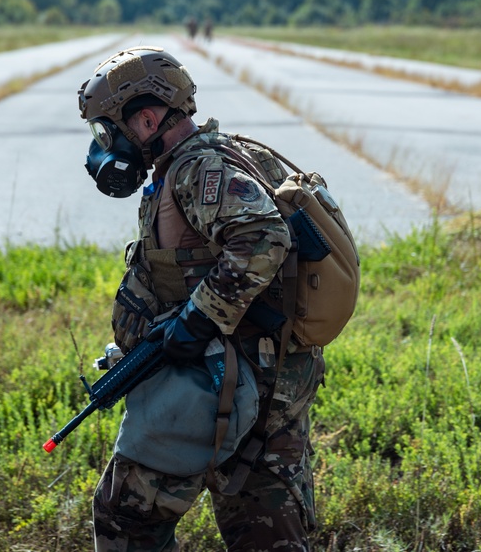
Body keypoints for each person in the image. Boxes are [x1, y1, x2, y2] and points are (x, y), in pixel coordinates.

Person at [78, 46, 325, 551]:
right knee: (267, 533)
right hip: (267, 380)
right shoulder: (230, 155)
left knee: (126, 520)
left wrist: (196, 322)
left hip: (216, 383)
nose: (105, 146)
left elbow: (263, 237)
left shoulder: (197, 169)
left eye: (109, 130)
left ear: (147, 118)